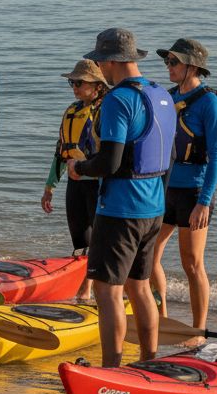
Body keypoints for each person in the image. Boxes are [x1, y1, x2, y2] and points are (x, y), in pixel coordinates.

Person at [67, 28, 175, 367]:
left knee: (107, 290)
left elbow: (109, 162)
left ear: (112, 61)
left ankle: (111, 368)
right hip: (154, 206)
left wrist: (79, 168)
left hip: (120, 208)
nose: (99, 68)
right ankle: (148, 361)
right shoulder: (162, 95)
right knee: (140, 287)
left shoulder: (118, 99)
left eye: (100, 62)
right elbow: (169, 157)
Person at [150, 38, 217, 337]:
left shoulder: (210, 103)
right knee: (149, 254)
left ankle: (198, 330)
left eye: (174, 62)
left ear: (192, 67)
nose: (168, 67)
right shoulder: (167, 97)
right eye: (167, 61)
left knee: (192, 263)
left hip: (194, 192)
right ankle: (162, 318)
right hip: (166, 188)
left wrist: (204, 201)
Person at [41, 59, 108, 303]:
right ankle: (82, 283)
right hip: (75, 183)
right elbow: (61, 151)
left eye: (80, 83)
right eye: (73, 82)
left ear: (98, 86)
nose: (75, 87)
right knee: (79, 237)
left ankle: (90, 287)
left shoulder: (105, 111)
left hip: (97, 183)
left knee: (99, 237)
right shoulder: (71, 111)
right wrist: (50, 187)